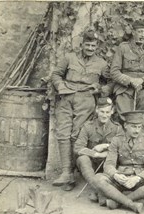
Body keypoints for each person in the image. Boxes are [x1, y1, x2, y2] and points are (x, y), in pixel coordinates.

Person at [51, 28, 112, 190]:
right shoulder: (69, 58)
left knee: (76, 135)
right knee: (63, 133)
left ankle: (71, 174)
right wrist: (60, 86)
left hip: (86, 100)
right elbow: (56, 74)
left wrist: (99, 88)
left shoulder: (102, 63)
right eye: (88, 45)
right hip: (66, 97)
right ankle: (66, 173)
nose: (90, 48)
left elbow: (110, 82)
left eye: (93, 46)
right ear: (82, 44)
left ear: (97, 46)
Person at [90, 111, 144, 213]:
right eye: (133, 127)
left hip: (139, 180)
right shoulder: (116, 140)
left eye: (139, 127)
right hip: (121, 178)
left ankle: (117, 201)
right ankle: (131, 204)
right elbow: (109, 164)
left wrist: (138, 178)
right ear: (126, 125)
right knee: (97, 179)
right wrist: (116, 175)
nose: (137, 130)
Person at [74, 97, 123, 203]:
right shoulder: (88, 126)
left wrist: (105, 146)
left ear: (112, 112)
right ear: (96, 110)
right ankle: (98, 190)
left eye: (107, 112)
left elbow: (122, 147)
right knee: (82, 159)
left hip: (109, 163)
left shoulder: (117, 128)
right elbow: (78, 148)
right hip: (92, 163)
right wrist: (96, 154)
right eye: (102, 111)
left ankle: (98, 191)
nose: (104, 115)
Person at [111, 19, 144, 117]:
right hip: (124, 89)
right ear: (133, 32)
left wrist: (142, 80)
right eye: (140, 32)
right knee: (124, 118)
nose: (142, 35)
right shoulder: (123, 47)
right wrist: (130, 80)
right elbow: (114, 71)